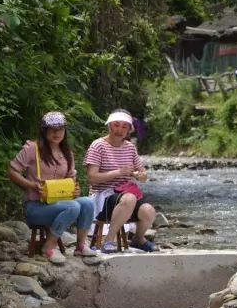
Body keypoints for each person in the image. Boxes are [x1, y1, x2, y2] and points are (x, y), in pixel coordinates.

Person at [8, 111, 98, 264]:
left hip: (61, 202)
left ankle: (81, 246)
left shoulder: (67, 152)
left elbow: (71, 179)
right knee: (73, 207)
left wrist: (74, 190)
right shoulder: (32, 148)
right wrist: (31, 185)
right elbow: (12, 170)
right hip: (36, 206)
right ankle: (49, 246)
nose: (57, 133)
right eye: (52, 129)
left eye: (60, 129)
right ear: (45, 130)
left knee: (88, 203)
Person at [85, 109, 157, 253]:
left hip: (125, 194)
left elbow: (143, 175)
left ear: (129, 130)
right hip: (102, 196)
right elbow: (91, 178)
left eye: (124, 127)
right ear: (110, 126)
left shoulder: (130, 148)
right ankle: (109, 241)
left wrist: (138, 175)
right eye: (116, 125)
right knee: (129, 198)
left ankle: (138, 239)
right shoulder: (98, 145)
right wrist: (118, 172)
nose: (120, 130)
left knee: (149, 211)